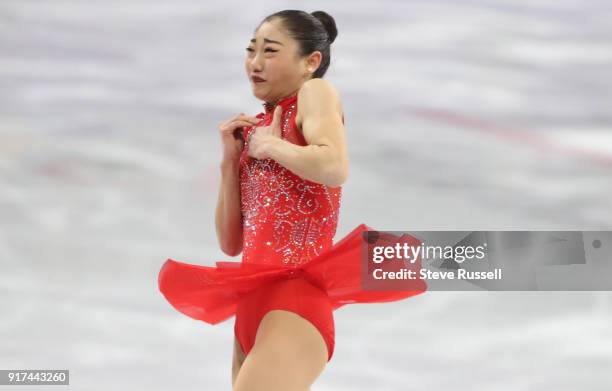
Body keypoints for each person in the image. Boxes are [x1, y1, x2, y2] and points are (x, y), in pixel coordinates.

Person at [158, 10, 427, 391]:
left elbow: (334, 165)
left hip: (295, 302)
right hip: (253, 306)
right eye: (251, 50)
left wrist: (271, 145)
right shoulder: (259, 128)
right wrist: (231, 163)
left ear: (311, 62)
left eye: (270, 51)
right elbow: (231, 243)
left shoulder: (315, 93)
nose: (255, 62)